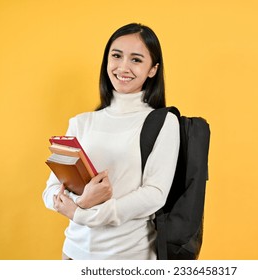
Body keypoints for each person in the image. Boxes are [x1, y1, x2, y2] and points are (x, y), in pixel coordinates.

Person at [42, 23, 180, 260]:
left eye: (136, 59)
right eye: (116, 56)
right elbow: (50, 191)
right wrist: (82, 202)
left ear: (153, 70)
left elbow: (154, 194)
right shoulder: (81, 122)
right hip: (73, 253)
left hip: (129, 256)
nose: (123, 67)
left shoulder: (162, 122)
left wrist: (83, 214)